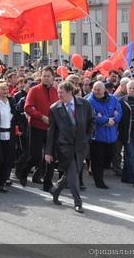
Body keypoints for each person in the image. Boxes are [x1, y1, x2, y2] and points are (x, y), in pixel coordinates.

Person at [45, 81, 94, 214]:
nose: (59, 95)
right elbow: (52, 132)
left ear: (70, 92)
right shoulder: (55, 108)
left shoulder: (84, 104)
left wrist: (88, 137)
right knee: (73, 174)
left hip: (81, 146)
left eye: (62, 92)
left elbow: (91, 121)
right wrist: (48, 152)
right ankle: (78, 202)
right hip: (64, 146)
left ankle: (55, 190)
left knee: (73, 172)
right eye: (58, 92)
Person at [18, 68, 59, 191]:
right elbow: (28, 107)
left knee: (51, 156)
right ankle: (24, 172)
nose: (46, 78)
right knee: (35, 156)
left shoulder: (55, 91)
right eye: (44, 76)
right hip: (37, 127)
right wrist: (41, 117)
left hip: (51, 128)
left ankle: (48, 182)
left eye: (48, 76)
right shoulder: (34, 90)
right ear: (41, 77)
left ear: (52, 77)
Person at [85, 81, 121, 189]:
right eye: (94, 89)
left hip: (111, 135)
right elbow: (93, 116)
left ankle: (97, 173)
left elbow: (118, 112)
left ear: (104, 89)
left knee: (109, 157)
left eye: (99, 89)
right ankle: (98, 180)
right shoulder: (90, 101)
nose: (96, 92)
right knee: (97, 160)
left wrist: (114, 119)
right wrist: (106, 119)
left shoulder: (113, 99)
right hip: (97, 136)